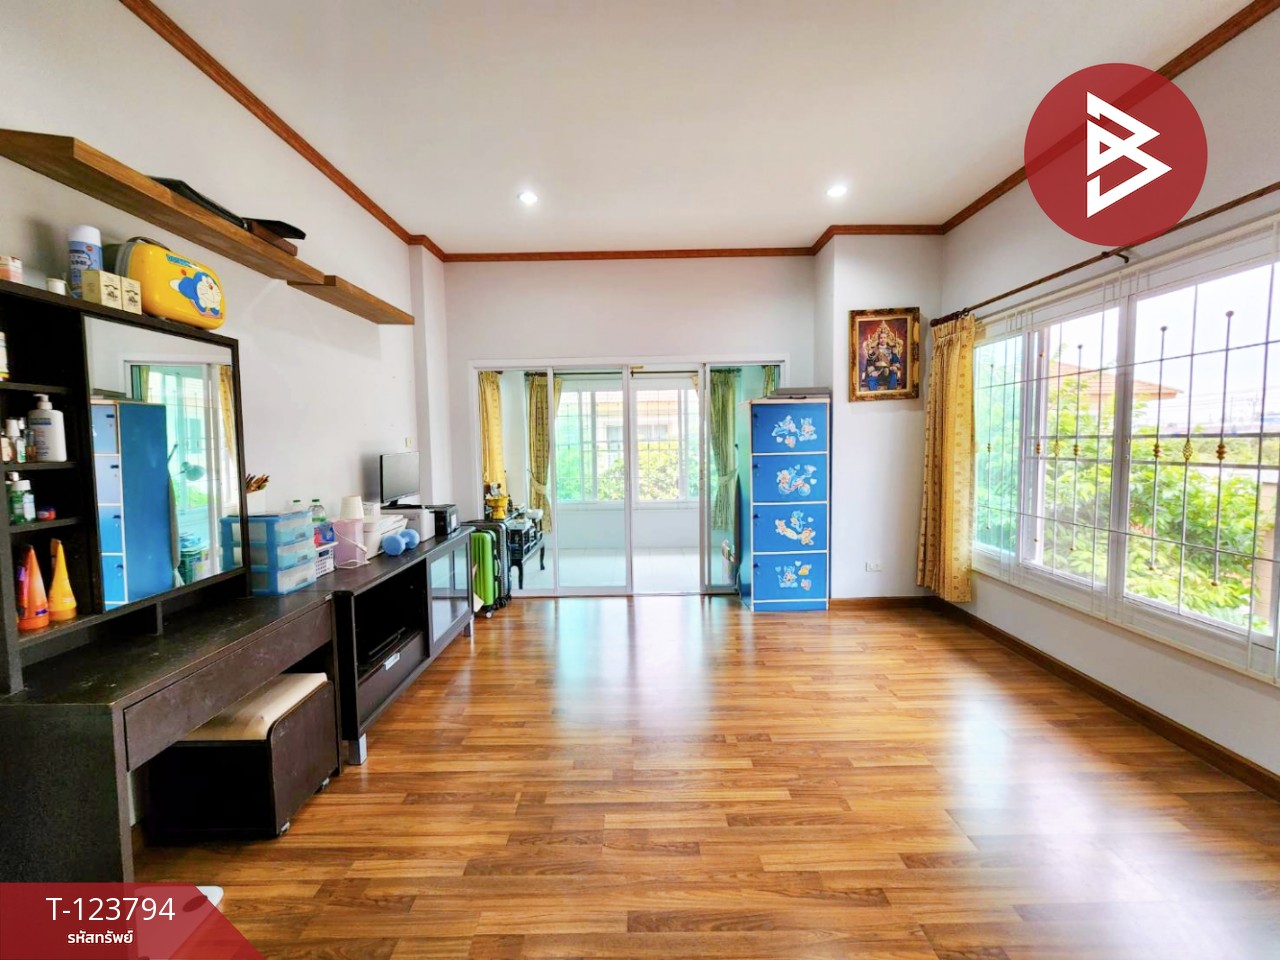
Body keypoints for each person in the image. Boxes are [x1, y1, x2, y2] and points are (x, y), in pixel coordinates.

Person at [862, 321, 904, 391]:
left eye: (884, 337)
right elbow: (869, 363)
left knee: (893, 376)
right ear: (878, 339)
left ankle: (891, 395)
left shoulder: (892, 350)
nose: (883, 339)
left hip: (889, 373)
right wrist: (872, 372)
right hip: (877, 373)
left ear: (887, 339)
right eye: (881, 338)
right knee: (871, 380)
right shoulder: (874, 351)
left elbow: (896, 362)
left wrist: (895, 367)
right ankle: (874, 396)